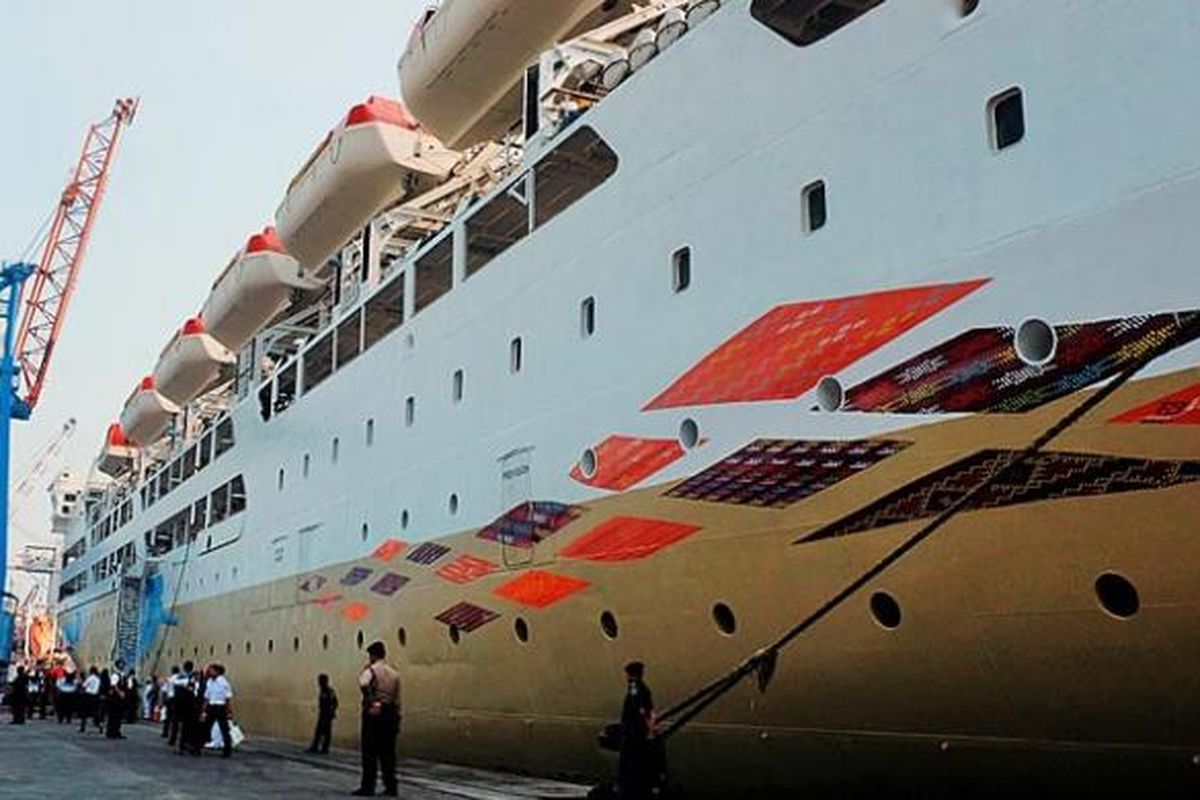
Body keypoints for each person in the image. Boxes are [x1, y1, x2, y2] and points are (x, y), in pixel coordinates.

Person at [352, 641, 401, 797]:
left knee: (370, 752)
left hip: (374, 713)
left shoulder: (371, 669)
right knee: (388, 754)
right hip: (390, 713)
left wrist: (371, 699)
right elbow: (397, 699)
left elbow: (363, 683)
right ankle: (391, 787)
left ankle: (368, 787)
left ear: (373, 655)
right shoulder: (394, 673)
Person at [617, 661, 656, 800]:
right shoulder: (643, 687)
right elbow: (649, 710)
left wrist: (648, 730)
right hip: (638, 730)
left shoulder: (635, 687)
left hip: (634, 732)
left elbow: (641, 709)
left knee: (629, 763)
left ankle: (629, 791)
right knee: (638, 763)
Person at [202, 663, 234, 758]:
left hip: (220, 707)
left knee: (224, 729)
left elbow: (227, 698)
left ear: (217, 671)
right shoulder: (209, 682)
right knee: (205, 727)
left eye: (212, 670)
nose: (210, 672)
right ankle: (198, 746)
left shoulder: (224, 683)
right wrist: (204, 709)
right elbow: (207, 697)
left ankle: (227, 750)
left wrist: (229, 711)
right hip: (211, 706)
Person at [306, 673, 338, 754]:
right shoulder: (323, 691)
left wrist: (332, 711)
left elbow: (335, 702)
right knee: (319, 731)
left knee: (325, 732)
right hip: (323, 713)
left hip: (327, 714)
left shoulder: (329, 691)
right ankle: (316, 747)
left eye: (321, 681)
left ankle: (324, 748)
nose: (319, 683)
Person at [174, 662, 201, 756]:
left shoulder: (201, 685)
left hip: (196, 709)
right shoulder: (185, 681)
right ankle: (181, 746)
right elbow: (177, 683)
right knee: (184, 728)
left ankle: (193, 747)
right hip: (186, 708)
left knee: (194, 729)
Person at [79, 667, 102, 733]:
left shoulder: (90, 678)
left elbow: (84, 685)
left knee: (85, 712)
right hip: (95, 696)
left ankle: (82, 727)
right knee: (95, 712)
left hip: (88, 695)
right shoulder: (98, 679)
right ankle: (99, 726)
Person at [106, 670, 126, 739]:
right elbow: (114, 685)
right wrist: (120, 692)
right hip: (115, 699)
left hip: (120, 699)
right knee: (113, 715)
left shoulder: (122, 676)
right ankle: (111, 731)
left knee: (118, 715)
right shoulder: (115, 675)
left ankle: (117, 731)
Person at [162, 665, 179, 740]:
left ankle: (165, 732)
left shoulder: (169, 679)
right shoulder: (180, 678)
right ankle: (173, 734)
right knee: (175, 718)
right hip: (177, 698)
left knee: (168, 716)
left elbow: (164, 690)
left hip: (169, 698)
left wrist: (164, 700)